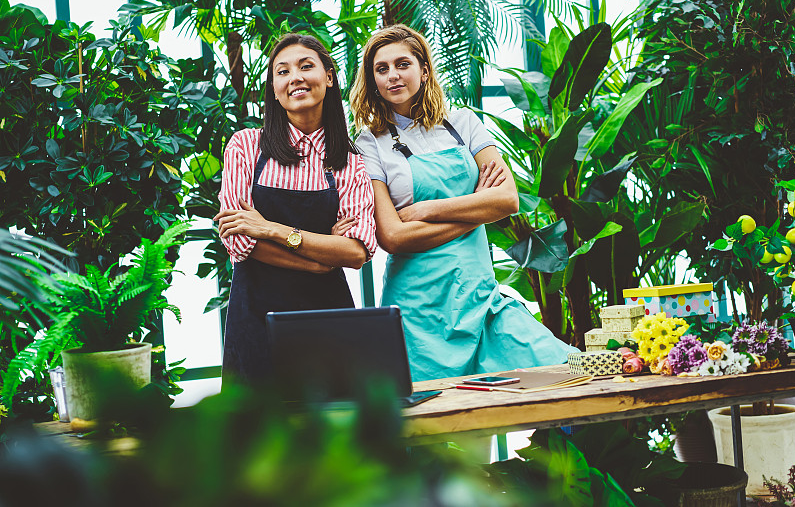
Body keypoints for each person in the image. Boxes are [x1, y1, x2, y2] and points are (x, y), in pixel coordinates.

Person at [350, 24, 577, 382]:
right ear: (373, 80)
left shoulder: (463, 123)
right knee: (437, 428)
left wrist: (426, 210)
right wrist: (477, 208)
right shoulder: (369, 143)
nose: (393, 75)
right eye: (381, 69)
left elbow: (507, 199)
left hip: (480, 298)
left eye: (402, 64)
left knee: (563, 371)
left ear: (423, 70)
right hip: (417, 312)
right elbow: (392, 236)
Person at [214, 34, 377, 385]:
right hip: (255, 319)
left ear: (329, 77)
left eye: (306, 67)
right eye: (282, 72)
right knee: (258, 433)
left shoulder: (350, 163)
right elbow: (239, 242)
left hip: (328, 321)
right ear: (274, 88)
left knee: (338, 433)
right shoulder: (245, 146)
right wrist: (320, 261)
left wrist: (271, 229)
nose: (295, 78)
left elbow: (356, 251)